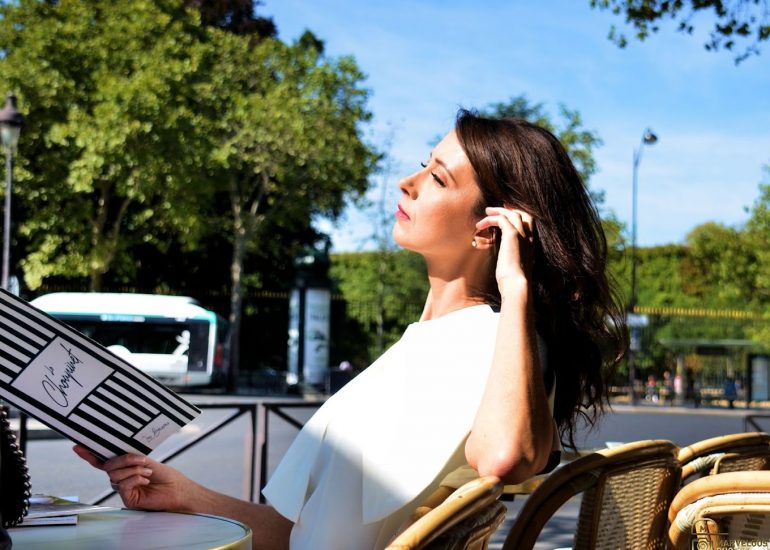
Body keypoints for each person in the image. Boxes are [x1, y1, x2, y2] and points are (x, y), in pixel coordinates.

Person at [74, 110, 627, 550]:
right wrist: (182, 493)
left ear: (490, 229)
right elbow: (298, 536)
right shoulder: (425, 345)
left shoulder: (493, 339)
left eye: (436, 177)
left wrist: (519, 290)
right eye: (422, 165)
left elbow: (507, 457)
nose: (408, 183)